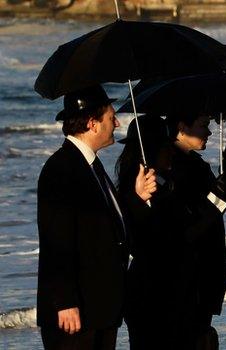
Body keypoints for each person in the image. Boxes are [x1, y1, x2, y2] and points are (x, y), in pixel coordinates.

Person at [37, 85, 156, 350]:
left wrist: (138, 198)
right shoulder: (61, 169)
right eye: (111, 117)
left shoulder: (92, 166)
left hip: (101, 309)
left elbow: (109, 227)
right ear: (92, 123)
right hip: (75, 313)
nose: (116, 122)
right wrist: (65, 301)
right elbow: (56, 240)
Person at [118, 112, 226, 350]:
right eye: (166, 146)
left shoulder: (164, 182)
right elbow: (189, 229)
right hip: (158, 296)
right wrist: (222, 193)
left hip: (171, 292)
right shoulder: (144, 187)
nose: (171, 151)